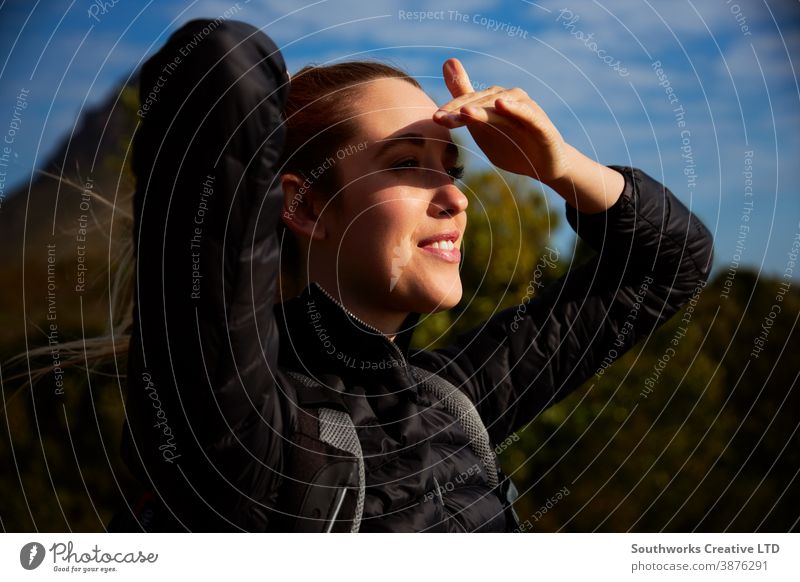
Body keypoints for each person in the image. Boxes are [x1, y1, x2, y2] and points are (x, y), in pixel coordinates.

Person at [114, 18, 713, 532]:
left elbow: (672, 263)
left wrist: (558, 166)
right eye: (406, 164)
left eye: (450, 168)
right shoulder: (241, 418)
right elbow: (221, 64)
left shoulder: (452, 397)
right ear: (306, 207)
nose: (456, 198)